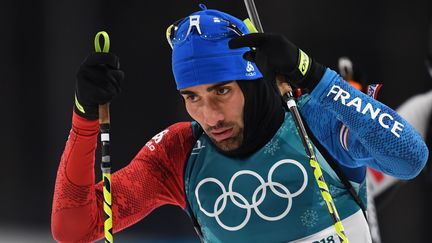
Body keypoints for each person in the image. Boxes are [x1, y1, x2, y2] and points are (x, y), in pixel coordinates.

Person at [51, 5, 428, 243]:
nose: (210, 116)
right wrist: (84, 117)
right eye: (192, 97)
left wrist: (315, 76)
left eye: (222, 91)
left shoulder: (312, 116)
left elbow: (409, 158)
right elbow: (74, 227)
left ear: (251, 82)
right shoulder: (179, 154)